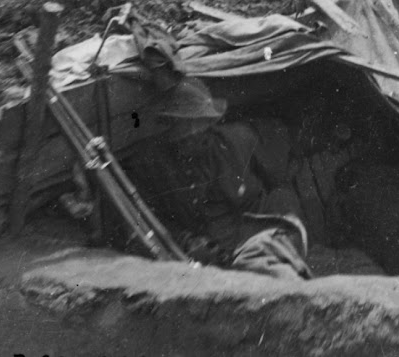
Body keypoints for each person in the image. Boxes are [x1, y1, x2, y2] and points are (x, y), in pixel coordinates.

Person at [117, 80, 310, 279]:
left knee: (278, 274)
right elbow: (150, 219)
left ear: (210, 121)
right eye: (182, 125)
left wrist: (287, 224)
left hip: (255, 237)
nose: (191, 131)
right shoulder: (155, 165)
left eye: (198, 123)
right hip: (205, 256)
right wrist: (186, 241)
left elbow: (280, 183)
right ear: (169, 125)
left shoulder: (239, 140)